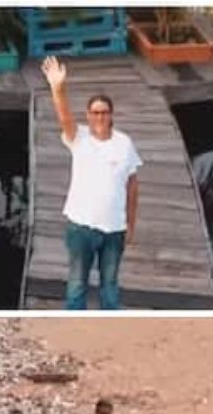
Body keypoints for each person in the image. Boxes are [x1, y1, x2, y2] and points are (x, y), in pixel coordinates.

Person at [41, 56, 143, 310]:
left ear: (111, 116)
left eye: (104, 112)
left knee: (110, 285)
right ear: (88, 115)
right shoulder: (79, 138)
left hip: (114, 231)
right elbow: (64, 117)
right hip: (80, 228)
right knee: (77, 284)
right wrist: (58, 88)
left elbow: (133, 186)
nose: (99, 116)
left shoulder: (125, 143)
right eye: (95, 112)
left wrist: (131, 225)